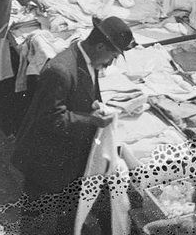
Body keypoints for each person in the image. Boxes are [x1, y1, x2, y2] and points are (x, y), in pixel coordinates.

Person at [12, 16, 136, 235]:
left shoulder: (88, 62)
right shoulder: (60, 70)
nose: (111, 62)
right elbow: (50, 118)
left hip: (67, 160)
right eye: (112, 56)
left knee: (63, 219)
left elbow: (84, 95)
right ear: (99, 46)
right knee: (38, 221)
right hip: (46, 162)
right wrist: (92, 120)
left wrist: (95, 107)